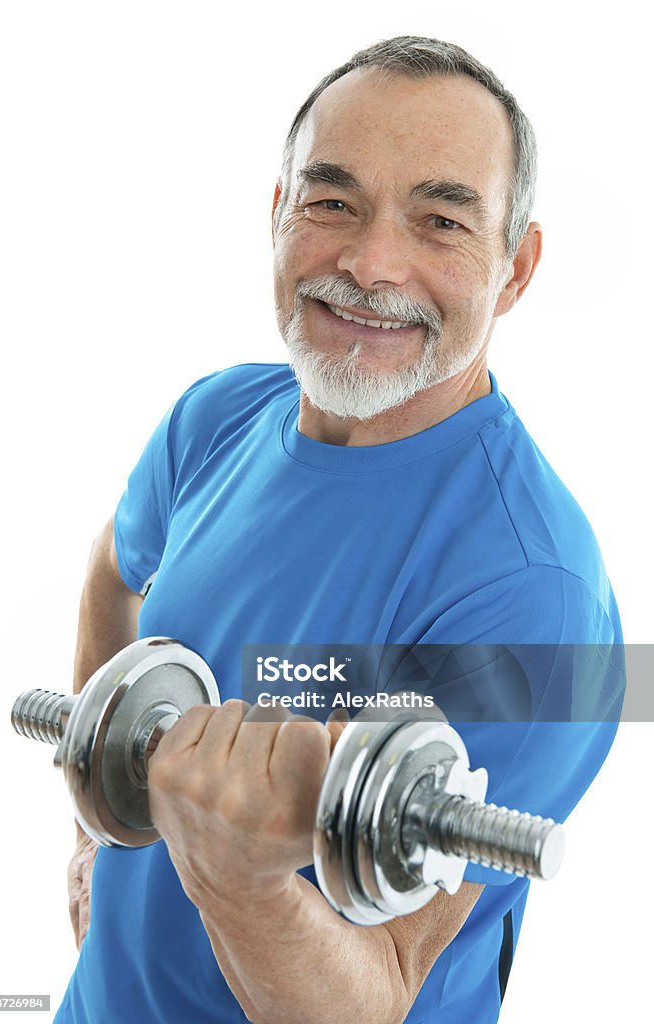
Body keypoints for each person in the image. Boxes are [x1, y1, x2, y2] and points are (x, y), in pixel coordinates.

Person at [56, 35, 624, 1024]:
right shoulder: (215, 417)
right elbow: (112, 569)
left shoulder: (539, 595)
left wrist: (236, 881)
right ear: (277, 215)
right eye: (330, 202)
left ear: (514, 268)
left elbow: (379, 996)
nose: (368, 263)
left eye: (440, 220)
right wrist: (92, 822)